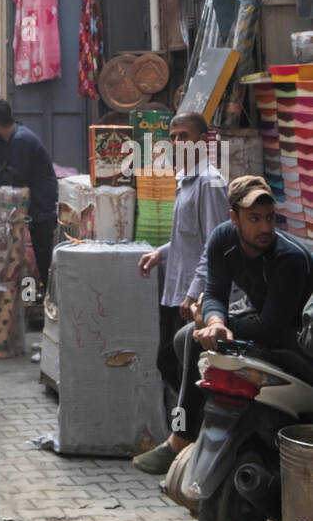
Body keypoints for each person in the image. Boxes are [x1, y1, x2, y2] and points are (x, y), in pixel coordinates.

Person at [133, 175, 313, 474]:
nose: (265, 228)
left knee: (194, 335)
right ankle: (188, 430)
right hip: (263, 322)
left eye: (270, 218)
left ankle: (180, 438)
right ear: (234, 218)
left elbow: (272, 329)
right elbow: (215, 291)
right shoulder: (223, 238)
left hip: (298, 338)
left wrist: (216, 322)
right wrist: (215, 321)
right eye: (254, 218)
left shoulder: (288, 258)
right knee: (185, 338)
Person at [137, 112, 228, 393]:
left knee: (184, 366)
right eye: (173, 137)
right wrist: (161, 253)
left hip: (193, 296)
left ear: (202, 141)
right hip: (176, 288)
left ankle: (189, 429)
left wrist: (194, 293)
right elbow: (186, 236)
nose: (176, 143)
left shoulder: (208, 183)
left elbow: (216, 245)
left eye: (184, 136)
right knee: (168, 360)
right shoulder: (184, 178)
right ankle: (183, 428)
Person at [0, 97, 57, 288]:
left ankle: (51, 297)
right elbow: (5, 167)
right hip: (30, 203)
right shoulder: (8, 139)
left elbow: (15, 177)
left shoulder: (21, 140)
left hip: (40, 203)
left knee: (43, 253)